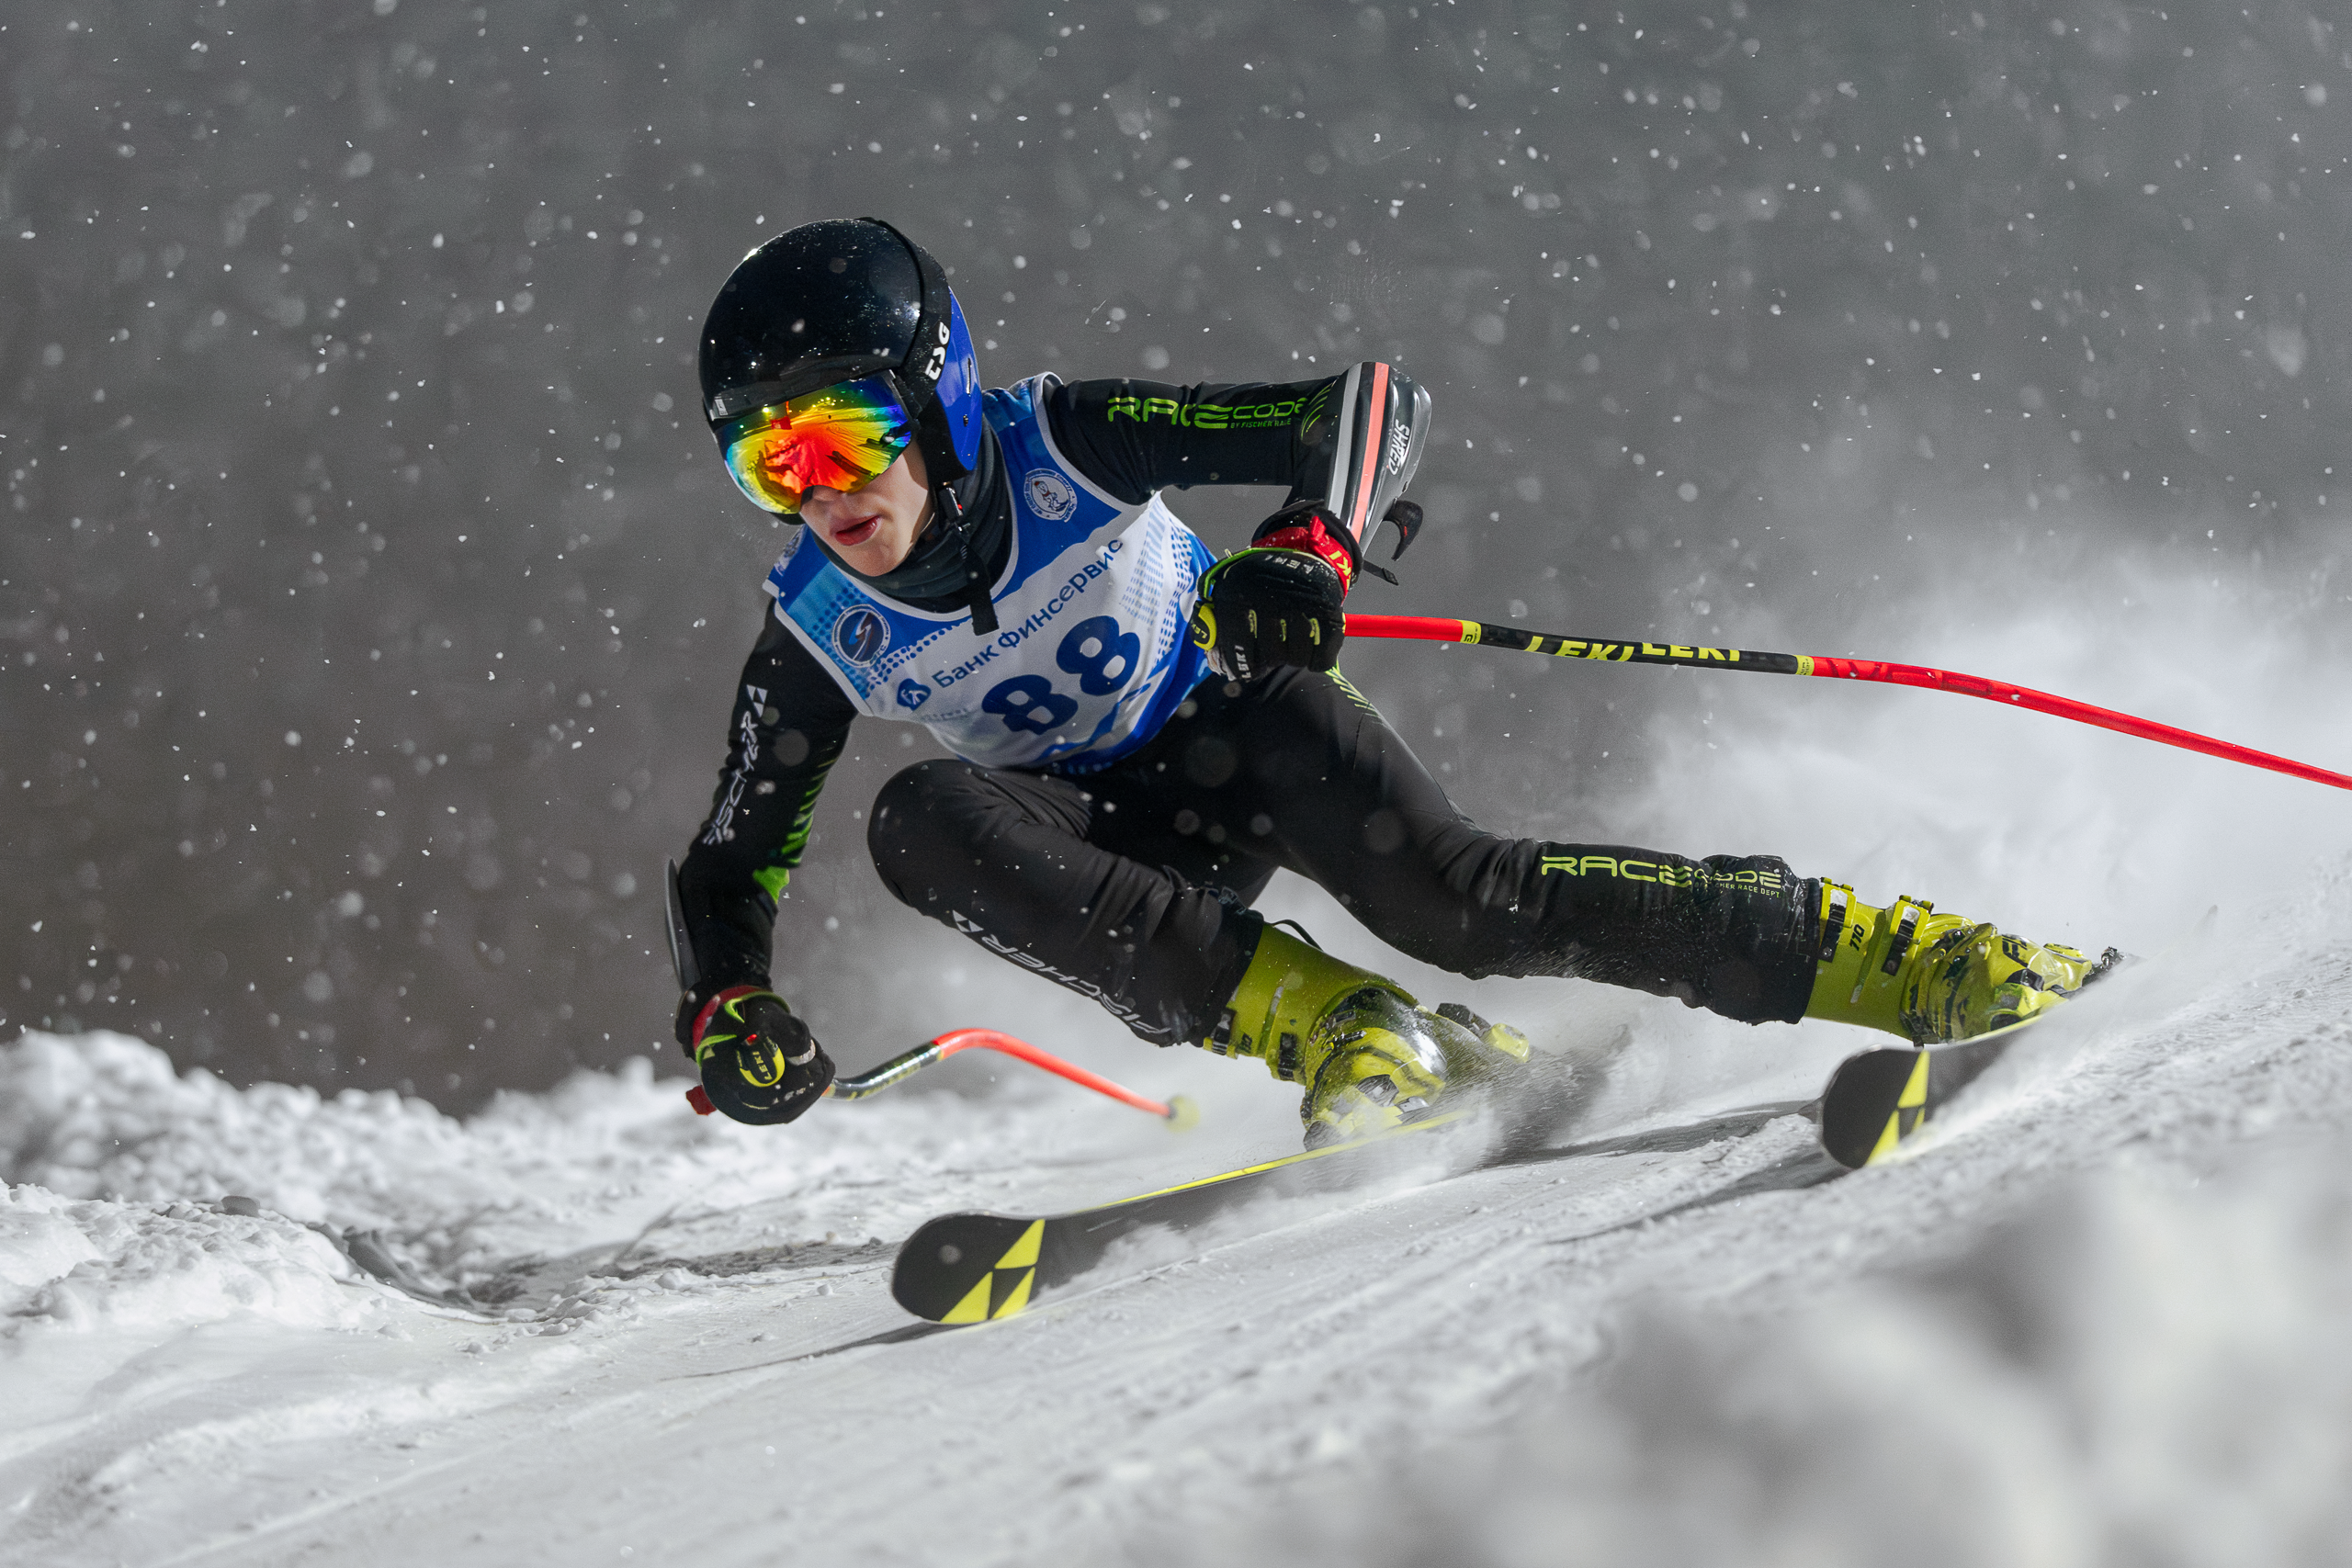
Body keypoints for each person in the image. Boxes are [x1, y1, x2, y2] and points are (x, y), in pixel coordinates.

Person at [671, 218, 2115, 1144]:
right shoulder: (819, 623)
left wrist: (1310, 543)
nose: (820, 491)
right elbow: (729, 859)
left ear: (932, 395)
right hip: (1125, 842)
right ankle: (1352, 1032)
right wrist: (725, 1006)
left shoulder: (1063, 440)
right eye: (766, 460)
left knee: (1466, 905)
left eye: (845, 433)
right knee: (918, 816)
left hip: (1246, 721)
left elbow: (1362, 405)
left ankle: (1903, 954)